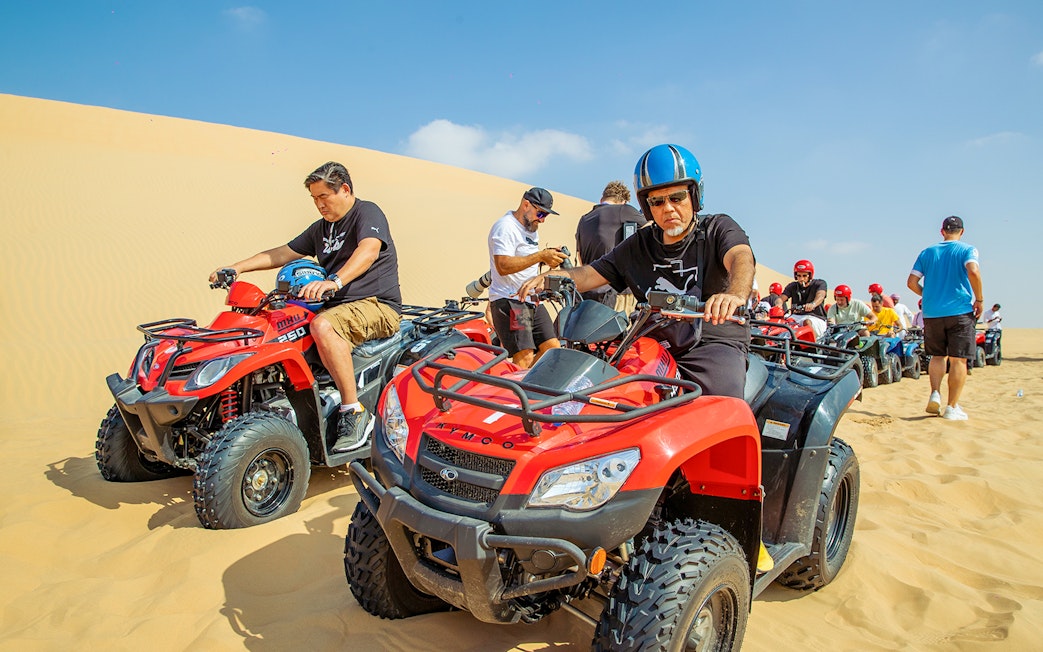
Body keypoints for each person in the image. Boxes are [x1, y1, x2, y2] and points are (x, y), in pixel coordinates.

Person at [518, 143, 756, 398]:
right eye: (657, 201)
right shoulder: (638, 245)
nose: (668, 208)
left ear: (695, 196)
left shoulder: (717, 228)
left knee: (721, 405)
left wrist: (734, 295)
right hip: (652, 341)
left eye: (677, 197)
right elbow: (591, 273)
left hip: (713, 341)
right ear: (647, 206)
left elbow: (741, 257)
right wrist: (555, 277)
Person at [210, 161, 401, 452]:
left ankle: (354, 412)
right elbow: (282, 253)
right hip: (334, 307)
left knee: (322, 326)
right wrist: (237, 268)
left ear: (345, 190)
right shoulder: (321, 229)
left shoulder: (367, 212)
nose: (318, 204)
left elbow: (369, 250)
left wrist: (334, 281)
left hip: (376, 305)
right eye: (314, 198)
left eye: (323, 196)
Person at [907, 215, 984, 420]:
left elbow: (911, 282)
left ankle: (935, 393)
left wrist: (929, 294)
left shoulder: (927, 252)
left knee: (937, 356)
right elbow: (973, 271)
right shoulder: (967, 249)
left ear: (942, 231)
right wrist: (980, 299)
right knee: (959, 360)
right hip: (959, 311)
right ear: (962, 231)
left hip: (932, 313)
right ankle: (952, 407)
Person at [487, 187, 569, 368]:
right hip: (511, 301)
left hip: (531, 299)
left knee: (552, 348)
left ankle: (525, 384)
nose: (542, 220)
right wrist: (540, 256)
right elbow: (503, 265)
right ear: (526, 205)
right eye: (540, 214)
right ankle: (518, 392)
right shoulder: (505, 227)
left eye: (546, 216)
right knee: (524, 356)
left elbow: (524, 260)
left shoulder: (531, 229)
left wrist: (547, 259)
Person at [574, 180, 648, 308]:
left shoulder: (584, 219)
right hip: (617, 291)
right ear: (623, 201)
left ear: (602, 198)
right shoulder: (623, 210)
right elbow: (652, 225)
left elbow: (580, 255)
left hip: (588, 289)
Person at [777, 260, 828, 338]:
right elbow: (781, 298)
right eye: (799, 275)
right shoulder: (793, 286)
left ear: (810, 276)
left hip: (815, 318)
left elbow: (821, 295)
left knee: (806, 322)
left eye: (804, 276)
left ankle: (813, 347)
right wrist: (778, 304)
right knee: (781, 323)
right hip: (796, 317)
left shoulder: (819, 284)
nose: (801, 278)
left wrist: (813, 304)